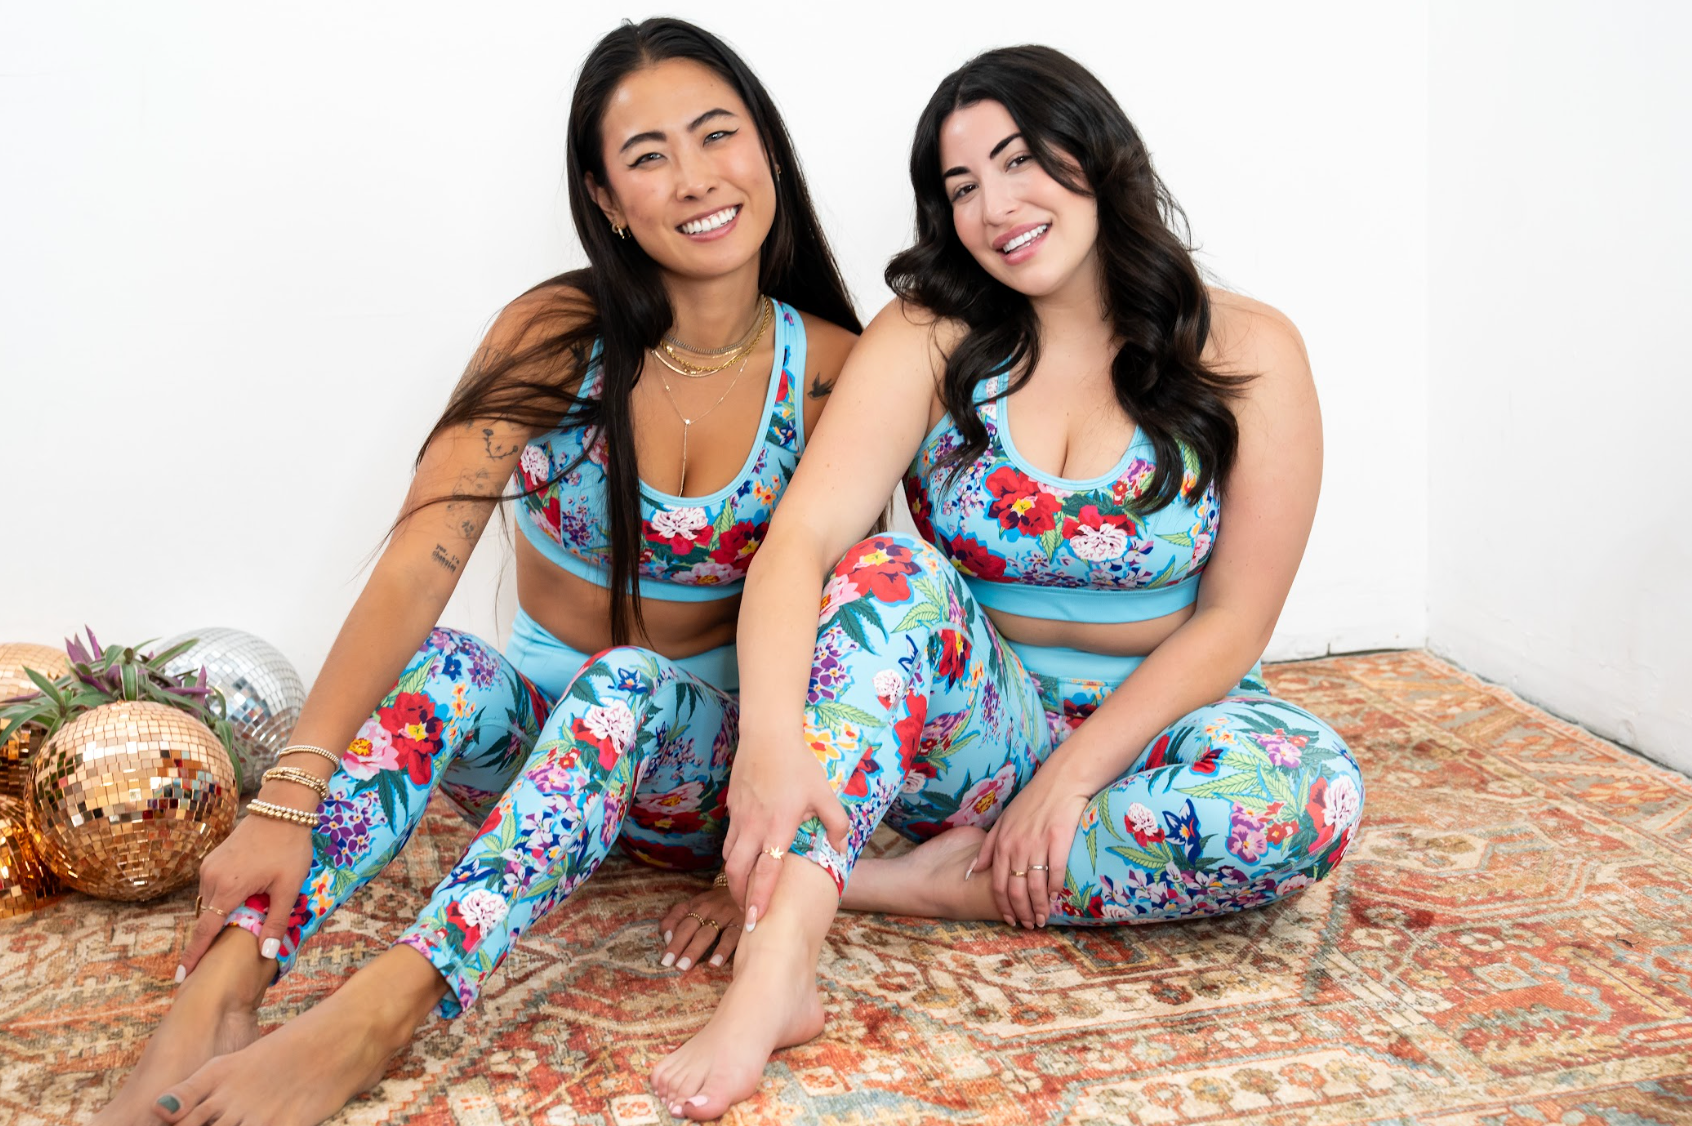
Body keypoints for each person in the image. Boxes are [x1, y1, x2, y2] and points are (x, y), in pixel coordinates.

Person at [94, 18, 859, 1126]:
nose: (696, 178)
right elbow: (422, 559)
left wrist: (764, 877)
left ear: (767, 148)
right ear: (605, 197)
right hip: (532, 763)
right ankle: (217, 998)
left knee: (626, 681)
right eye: (648, 156)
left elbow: (847, 643)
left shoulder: (832, 370)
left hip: (706, 786)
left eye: (716, 135)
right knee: (453, 663)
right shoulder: (555, 333)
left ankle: (375, 1015)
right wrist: (287, 795)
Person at [648, 44, 1364, 1119]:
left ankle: (902, 882)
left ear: (1098, 152)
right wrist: (769, 746)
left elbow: (1235, 622)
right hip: (974, 738)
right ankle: (778, 969)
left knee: (1313, 795)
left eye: (1021, 160)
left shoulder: (1250, 350)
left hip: (1159, 730)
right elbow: (800, 543)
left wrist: (1071, 779)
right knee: (888, 571)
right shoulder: (930, 337)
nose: (996, 206)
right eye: (962, 185)